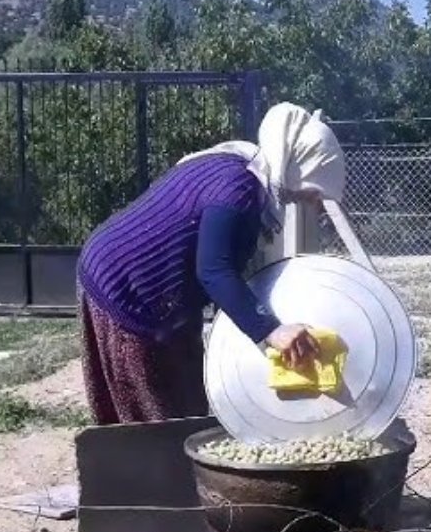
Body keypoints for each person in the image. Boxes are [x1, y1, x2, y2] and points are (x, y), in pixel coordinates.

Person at [76, 102, 347, 425]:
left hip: (168, 294)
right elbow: (214, 271)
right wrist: (271, 330)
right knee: (151, 416)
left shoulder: (243, 169)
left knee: (189, 397)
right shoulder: (239, 186)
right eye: (312, 194)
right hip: (126, 284)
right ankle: (152, 473)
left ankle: (181, 467)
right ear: (298, 164)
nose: (309, 205)